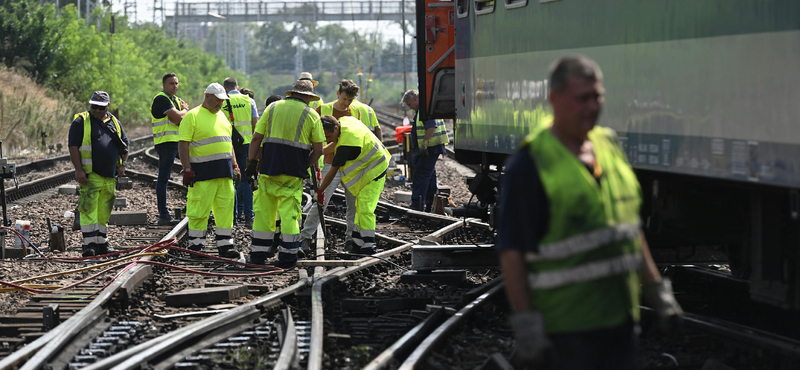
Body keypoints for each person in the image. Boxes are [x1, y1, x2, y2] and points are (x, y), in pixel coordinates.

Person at [497, 56, 683, 370]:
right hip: (566, 330)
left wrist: (658, 292)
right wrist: (528, 329)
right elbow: (512, 252)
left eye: (597, 97)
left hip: (620, 322)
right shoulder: (530, 164)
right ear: (554, 100)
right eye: (582, 98)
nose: (592, 106)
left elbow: (628, 228)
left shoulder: (609, 146)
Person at [245, 80, 324, 268]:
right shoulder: (312, 115)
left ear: (292, 93)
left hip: (268, 169)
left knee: (264, 214)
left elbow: (256, 137)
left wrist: (252, 163)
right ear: (307, 97)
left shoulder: (272, 108)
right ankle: (287, 257)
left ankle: (258, 255)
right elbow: (319, 150)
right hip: (292, 173)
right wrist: (304, 165)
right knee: (290, 215)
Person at [298, 79, 363, 251]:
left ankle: (351, 239)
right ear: (338, 93)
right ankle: (305, 237)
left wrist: (322, 150)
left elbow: (349, 139)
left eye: (350, 100)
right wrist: (319, 151)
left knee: (353, 204)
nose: (347, 103)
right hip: (330, 162)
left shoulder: (355, 111)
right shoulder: (323, 110)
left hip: (351, 165)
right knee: (320, 202)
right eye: (344, 99)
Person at [178, 83, 241, 259]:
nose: (220, 104)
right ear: (208, 96)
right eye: (218, 100)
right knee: (199, 211)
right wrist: (187, 169)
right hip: (202, 174)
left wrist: (235, 165)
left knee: (225, 209)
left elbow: (229, 142)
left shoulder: (222, 116)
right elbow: (183, 143)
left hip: (224, 174)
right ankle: (196, 247)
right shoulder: (192, 116)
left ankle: (225, 245)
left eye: (222, 100)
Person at [317, 115, 390, 255]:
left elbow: (332, 173)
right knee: (358, 208)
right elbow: (335, 142)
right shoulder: (344, 121)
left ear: (336, 128)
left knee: (365, 209)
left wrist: (320, 190)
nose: (327, 139)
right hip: (369, 168)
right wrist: (319, 151)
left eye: (328, 135)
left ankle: (369, 246)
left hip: (376, 170)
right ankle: (357, 245)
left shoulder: (346, 145)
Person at [68, 91, 130, 257]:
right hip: (91, 174)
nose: (96, 110)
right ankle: (89, 245)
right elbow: (73, 146)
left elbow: (125, 145)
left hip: (110, 176)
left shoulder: (114, 122)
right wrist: (79, 169)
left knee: (104, 210)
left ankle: (102, 242)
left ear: (107, 106)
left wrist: (123, 165)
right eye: (93, 106)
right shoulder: (81, 121)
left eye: (100, 107)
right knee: (89, 209)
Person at [151, 72, 190, 226]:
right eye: (171, 83)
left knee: (192, 168)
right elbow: (179, 118)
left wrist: (182, 112)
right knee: (164, 178)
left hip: (178, 142)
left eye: (176, 83)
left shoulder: (175, 100)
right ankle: (164, 215)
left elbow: (182, 119)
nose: (175, 86)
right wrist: (185, 110)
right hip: (166, 143)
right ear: (164, 85)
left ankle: (192, 206)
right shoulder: (161, 99)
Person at [401, 90, 449, 212]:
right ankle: (430, 205)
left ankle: (417, 205)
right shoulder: (426, 108)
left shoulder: (425, 109)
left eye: (409, 104)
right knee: (429, 176)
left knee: (421, 176)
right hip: (432, 148)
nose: (409, 107)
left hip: (428, 149)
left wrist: (424, 143)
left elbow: (431, 126)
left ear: (415, 99)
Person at [222, 77, 259, 228]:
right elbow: (256, 125)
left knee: (232, 180)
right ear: (237, 87)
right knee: (247, 180)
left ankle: (234, 217)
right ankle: (249, 217)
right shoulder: (249, 101)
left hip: (227, 145)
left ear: (225, 89)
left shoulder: (222, 101)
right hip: (247, 144)